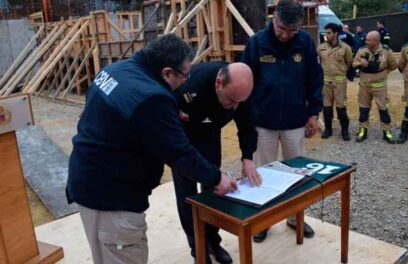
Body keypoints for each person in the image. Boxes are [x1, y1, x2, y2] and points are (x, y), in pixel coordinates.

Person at [66, 34, 238, 264]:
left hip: (87, 182)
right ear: (167, 72)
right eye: (185, 75)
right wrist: (218, 178)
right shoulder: (151, 98)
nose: (186, 81)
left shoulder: (115, 70)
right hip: (113, 201)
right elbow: (179, 153)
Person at [240, 0, 323, 243]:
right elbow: (245, 79)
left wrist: (314, 113)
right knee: (263, 174)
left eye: (291, 30)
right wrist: (247, 117)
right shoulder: (257, 43)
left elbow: (314, 78)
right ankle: (263, 219)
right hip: (263, 121)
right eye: (281, 28)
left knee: (296, 173)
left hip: (295, 120)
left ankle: (294, 218)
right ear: (273, 19)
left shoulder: (305, 42)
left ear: (299, 27)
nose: (285, 35)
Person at [173, 62, 262, 264]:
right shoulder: (189, 86)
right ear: (219, 83)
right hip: (182, 138)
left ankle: (213, 241)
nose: (235, 107)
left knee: (215, 189)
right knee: (188, 196)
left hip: (210, 135)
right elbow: (169, 124)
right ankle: (197, 247)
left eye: (240, 101)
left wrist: (247, 157)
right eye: (231, 100)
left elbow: (247, 125)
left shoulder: (240, 91)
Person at [353, 31, 397, 143]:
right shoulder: (362, 50)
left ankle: (387, 131)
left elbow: (393, 66)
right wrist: (360, 64)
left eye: (368, 39)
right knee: (363, 109)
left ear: (376, 41)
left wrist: (383, 74)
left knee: (383, 110)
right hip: (364, 86)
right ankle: (363, 130)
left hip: (380, 87)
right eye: (366, 39)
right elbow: (353, 63)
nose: (365, 41)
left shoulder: (386, 51)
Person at [317, 23, 353, 141]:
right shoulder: (321, 47)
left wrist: (340, 73)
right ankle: (328, 129)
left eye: (329, 33)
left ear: (336, 33)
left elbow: (349, 63)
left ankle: (345, 131)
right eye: (326, 33)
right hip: (326, 83)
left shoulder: (345, 48)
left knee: (340, 108)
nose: (326, 35)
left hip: (340, 83)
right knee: (327, 108)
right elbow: (319, 62)